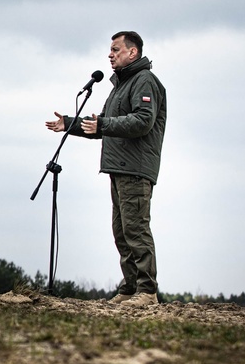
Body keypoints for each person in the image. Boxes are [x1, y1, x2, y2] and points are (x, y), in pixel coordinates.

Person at [45, 31, 167, 307]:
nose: (110, 55)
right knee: (121, 232)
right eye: (109, 51)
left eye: (115, 50)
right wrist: (70, 123)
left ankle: (147, 291)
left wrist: (104, 125)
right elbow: (102, 124)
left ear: (132, 52)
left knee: (136, 230)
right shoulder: (121, 85)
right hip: (119, 168)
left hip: (136, 168)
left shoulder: (144, 81)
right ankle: (130, 288)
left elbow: (142, 121)